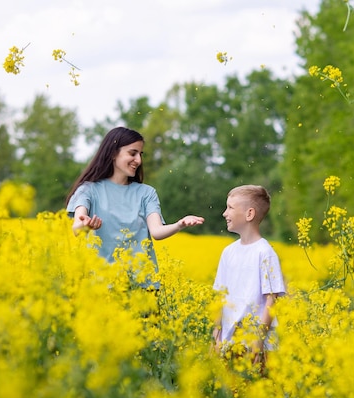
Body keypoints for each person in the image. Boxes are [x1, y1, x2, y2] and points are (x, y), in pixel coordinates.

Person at [65, 126, 204, 287]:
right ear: (113, 153)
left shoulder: (147, 193)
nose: (138, 160)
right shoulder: (88, 190)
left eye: (140, 154)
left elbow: (157, 232)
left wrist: (179, 224)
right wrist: (85, 225)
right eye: (132, 153)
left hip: (143, 286)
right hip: (102, 287)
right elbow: (77, 226)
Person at [212, 185, 286, 371]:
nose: (224, 213)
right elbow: (220, 297)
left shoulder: (265, 253)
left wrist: (258, 341)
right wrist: (216, 335)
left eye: (230, 208)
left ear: (249, 214)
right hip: (229, 343)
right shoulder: (228, 252)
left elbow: (272, 299)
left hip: (257, 344)